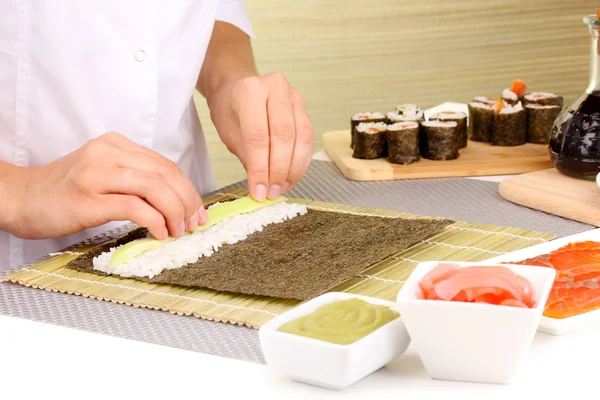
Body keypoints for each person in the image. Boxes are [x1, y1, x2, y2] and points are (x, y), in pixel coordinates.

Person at [0, 1, 314, 273]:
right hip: (19, 258)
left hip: (185, 227)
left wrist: (229, 81)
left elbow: (210, 11)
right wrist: (17, 194)